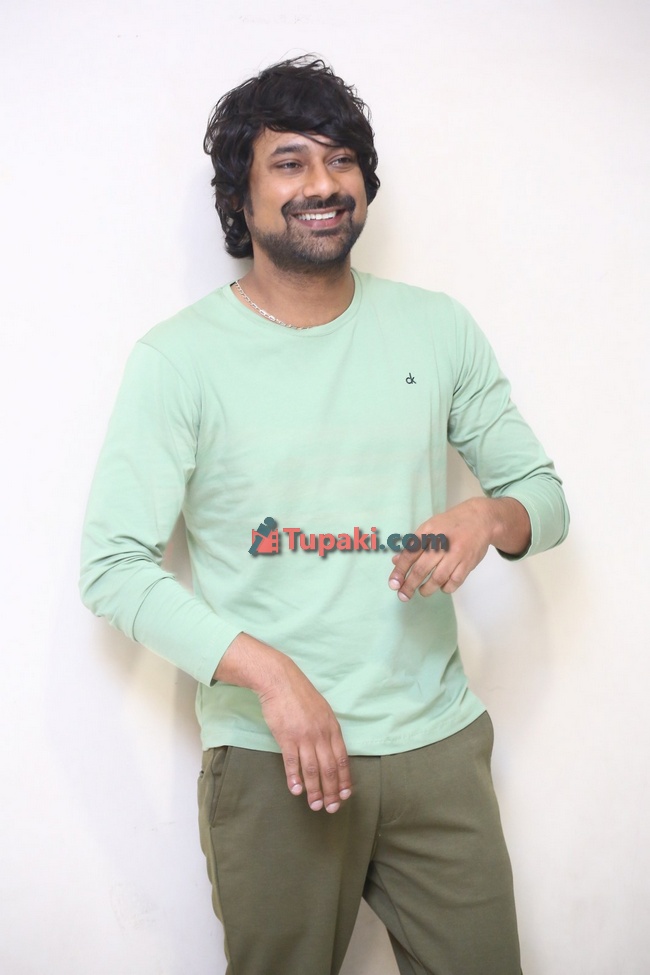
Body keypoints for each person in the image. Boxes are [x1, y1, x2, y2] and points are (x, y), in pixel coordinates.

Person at [80, 56, 569, 975]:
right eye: (290, 161)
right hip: (274, 757)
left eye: (342, 159)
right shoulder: (179, 360)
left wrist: (485, 516)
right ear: (241, 195)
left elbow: (542, 495)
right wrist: (269, 675)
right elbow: (113, 566)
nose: (323, 184)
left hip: (435, 746)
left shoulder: (437, 327)